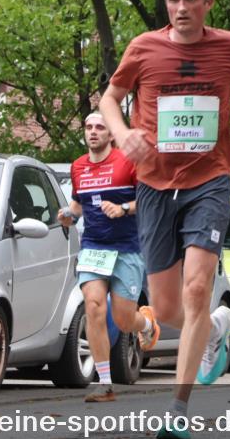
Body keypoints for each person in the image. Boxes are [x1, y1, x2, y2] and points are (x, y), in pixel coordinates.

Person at [98, 0, 230, 439]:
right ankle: (215, 329)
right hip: (153, 185)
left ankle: (177, 407)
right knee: (169, 305)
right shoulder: (144, 48)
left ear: (208, 4)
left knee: (196, 289)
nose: (181, 7)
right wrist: (123, 132)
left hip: (209, 180)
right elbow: (109, 98)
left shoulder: (229, 46)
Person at [57, 112, 160, 403]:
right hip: (93, 248)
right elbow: (79, 204)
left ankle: (147, 324)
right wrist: (68, 215)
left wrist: (124, 208)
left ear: (111, 135)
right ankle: (104, 383)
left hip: (127, 249)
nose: (93, 132)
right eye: (88, 127)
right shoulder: (78, 166)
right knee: (93, 306)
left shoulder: (128, 162)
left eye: (100, 127)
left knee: (125, 319)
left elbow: (150, 200)